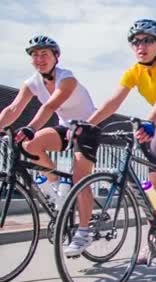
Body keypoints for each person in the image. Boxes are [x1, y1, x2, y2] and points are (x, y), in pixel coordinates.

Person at [66, 19, 156, 262]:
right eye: (135, 41)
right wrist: (88, 124)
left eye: (147, 40)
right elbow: (112, 102)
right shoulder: (134, 72)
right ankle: (155, 238)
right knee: (152, 188)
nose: (141, 45)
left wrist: (149, 122)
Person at [0, 35, 99, 251]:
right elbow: (13, 109)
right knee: (30, 144)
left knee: (80, 177)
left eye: (44, 54)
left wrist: (30, 127)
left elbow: (50, 107)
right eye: (35, 55)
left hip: (87, 127)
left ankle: (84, 231)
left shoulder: (67, 78)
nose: (39, 59)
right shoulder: (32, 82)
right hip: (66, 127)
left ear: (56, 57)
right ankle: (56, 189)